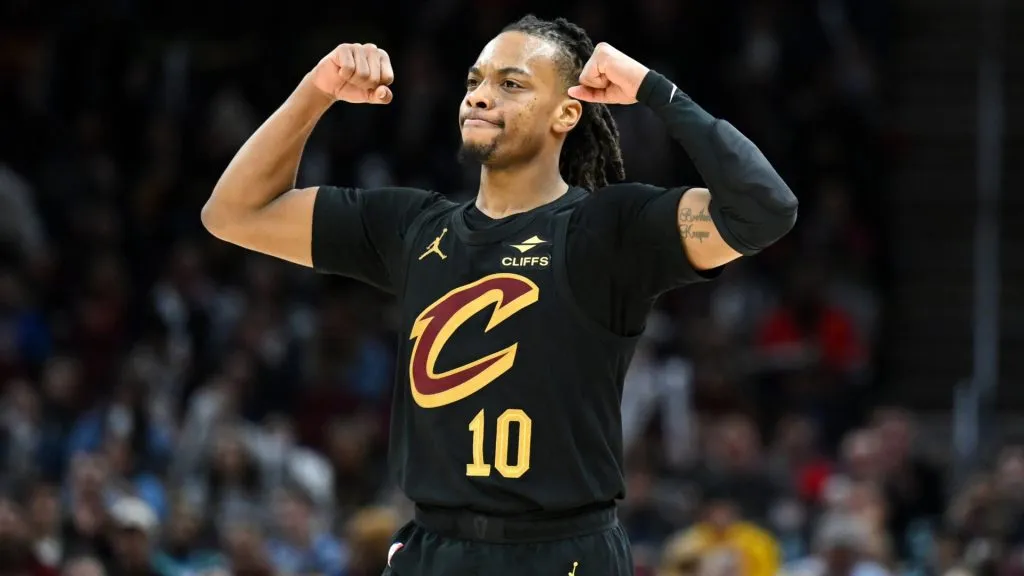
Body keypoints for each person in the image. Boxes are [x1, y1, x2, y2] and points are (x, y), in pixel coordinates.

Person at [201, 14, 797, 576]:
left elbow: (764, 209)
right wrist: (316, 90)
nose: (480, 95)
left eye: (511, 83)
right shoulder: (413, 227)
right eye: (475, 80)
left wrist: (653, 89)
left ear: (567, 112)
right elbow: (233, 213)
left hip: (563, 549)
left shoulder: (608, 229)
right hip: (434, 547)